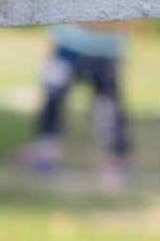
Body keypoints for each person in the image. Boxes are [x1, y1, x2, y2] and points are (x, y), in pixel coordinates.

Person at [25, 21, 132, 185]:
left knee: (108, 107)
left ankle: (116, 159)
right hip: (68, 45)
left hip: (107, 49)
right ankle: (46, 153)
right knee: (52, 98)